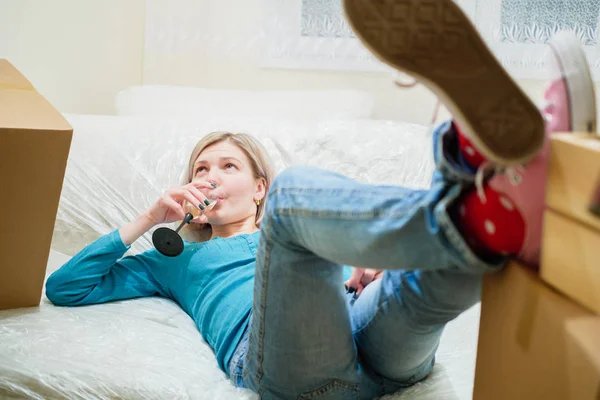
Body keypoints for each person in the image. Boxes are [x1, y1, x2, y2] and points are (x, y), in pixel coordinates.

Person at [46, 1, 597, 398]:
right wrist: (149, 218)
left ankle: (497, 218)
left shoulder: (317, 230)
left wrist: (362, 274)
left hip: (386, 357)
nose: (210, 176)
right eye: (200, 168)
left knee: (438, 274)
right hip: (294, 372)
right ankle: (471, 184)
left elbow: (333, 286)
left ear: (257, 186)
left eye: (228, 165)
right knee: (302, 197)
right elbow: (66, 288)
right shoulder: (174, 259)